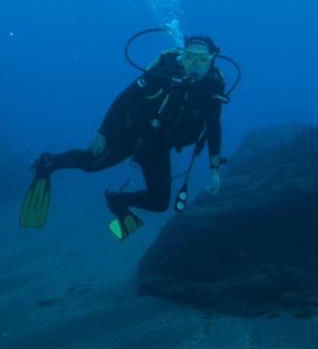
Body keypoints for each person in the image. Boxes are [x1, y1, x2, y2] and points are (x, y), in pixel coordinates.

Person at [26, 34, 227, 236]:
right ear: (182, 57)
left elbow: (213, 126)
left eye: (203, 60)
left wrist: (214, 168)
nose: (195, 66)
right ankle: (49, 162)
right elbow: (125, 97)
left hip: (158, 147)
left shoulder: (214, 86)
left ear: (212, 60)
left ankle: (117, 200)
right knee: (90, 164)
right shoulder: (164, 72)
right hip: (132, 133)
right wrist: (102, 132)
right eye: (189, 58)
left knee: (159, 203)